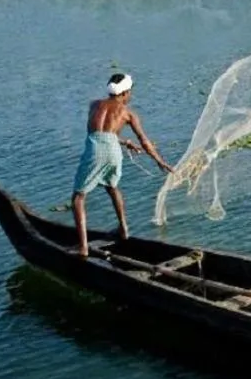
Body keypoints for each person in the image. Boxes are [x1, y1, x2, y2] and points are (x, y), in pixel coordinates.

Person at [71, 72, 174, 256]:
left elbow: (97, 134)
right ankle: (124, 228)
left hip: (94, 149)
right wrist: (159, 161)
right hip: (113, 150)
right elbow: (143, 140)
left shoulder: (94, 105)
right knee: (112, 187)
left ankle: (83, 247)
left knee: (78, 197)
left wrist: (123, 142)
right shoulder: (127, 113)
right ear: (125, 93)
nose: (130, 95)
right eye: (130, 92)